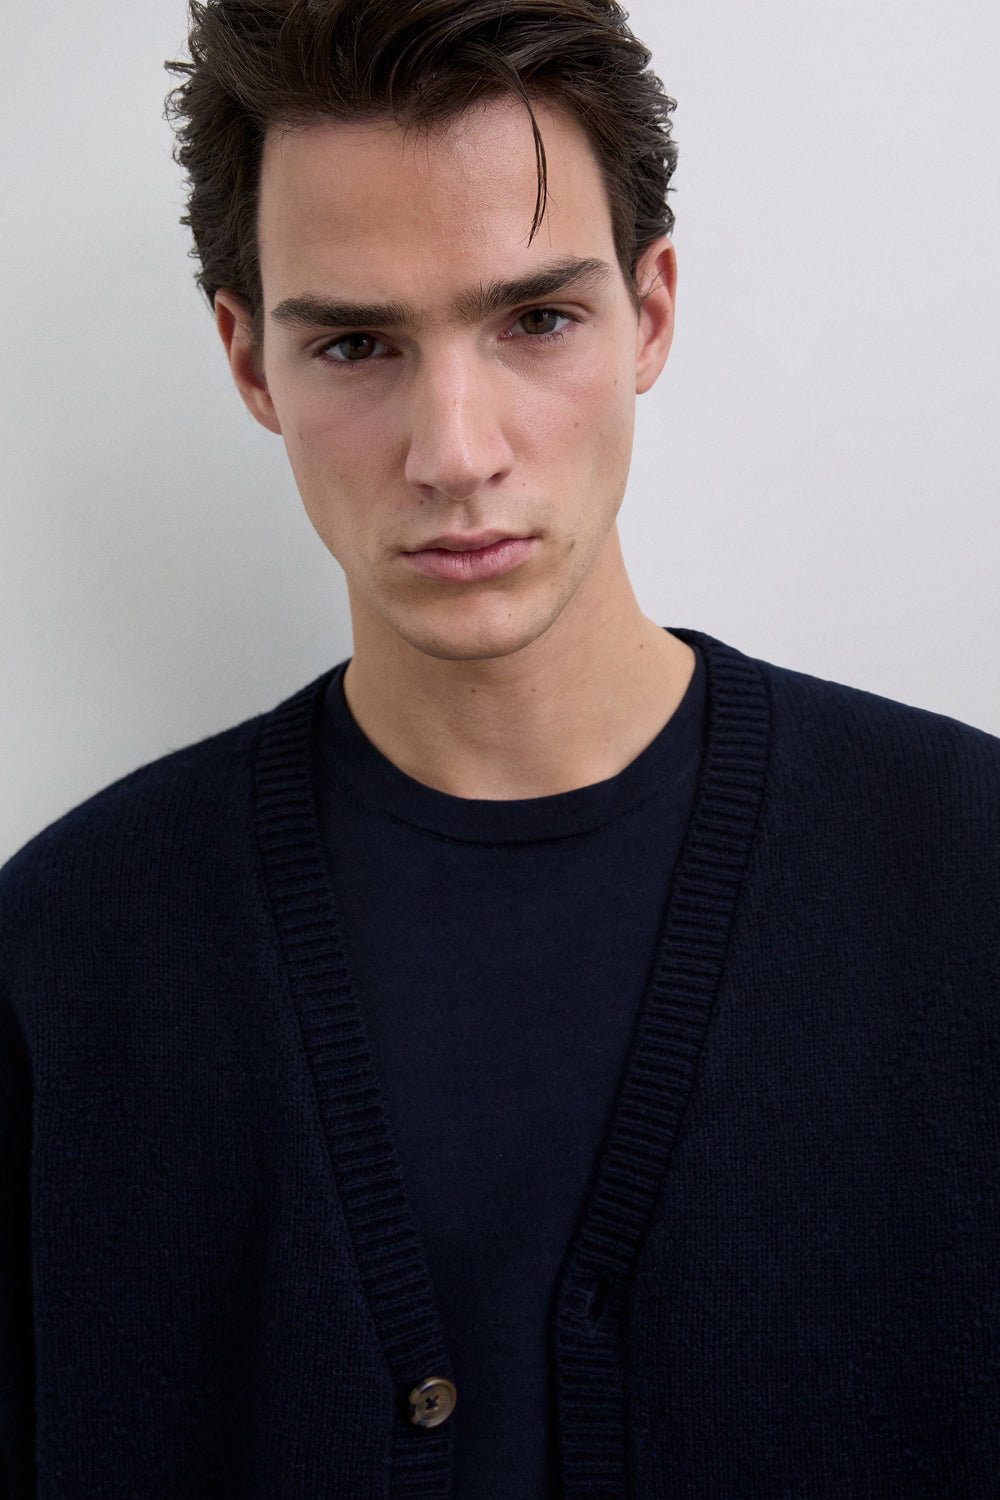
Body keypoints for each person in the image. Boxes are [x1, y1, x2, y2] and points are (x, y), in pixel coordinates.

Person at [1, 0, 997, 1494]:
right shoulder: (66, 957)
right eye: (356, 343)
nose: (455, 451)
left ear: (651, 312)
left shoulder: (968, 877)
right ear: (251, 362)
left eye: (537, 321)